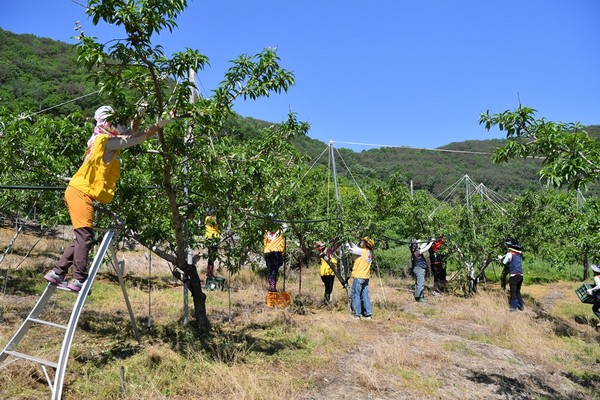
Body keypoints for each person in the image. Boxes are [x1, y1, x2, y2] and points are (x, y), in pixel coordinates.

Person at [44, 105, 171, 292]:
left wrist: (139, 115)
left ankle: (57, 272)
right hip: (80, 192)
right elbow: (137, 138)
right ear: (108, 123)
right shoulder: (106, 142)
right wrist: (160, 125)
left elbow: (132, 131)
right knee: (85, 237)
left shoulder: (99, 139)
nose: (118, 125)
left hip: (78, 191)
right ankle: (79, 279)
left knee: (81, 237)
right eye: (115, 122)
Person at [347, 236, 374, 319]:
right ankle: (368, 313)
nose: (362, 243)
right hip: (365, 277)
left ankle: (357, 314)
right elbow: (356, 248)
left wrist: (346, 243)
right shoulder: (368, 252)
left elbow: (351, 250)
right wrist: (349, 239)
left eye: (363, 241)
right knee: (365, 295)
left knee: (356, 294)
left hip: (359, 276)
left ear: (366, 244)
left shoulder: (362, 251)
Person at [500, 239, 524, 311]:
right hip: (521, 275)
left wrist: (500, 259)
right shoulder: (519, 255)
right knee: (518, 291)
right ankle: (521, 305)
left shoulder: (509, 254)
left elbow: (504, 263)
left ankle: (513, 307)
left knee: (513, 291)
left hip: (514, 275)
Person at [263, 226, 286, 292]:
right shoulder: (280, 230)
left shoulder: (266, 231)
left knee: (270, 269)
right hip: (276, 251)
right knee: (274, 269)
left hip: (267, 252)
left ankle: (271, 284)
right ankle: (272, 285)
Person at [204, 209, 220, 278]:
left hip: (208, 238)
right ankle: (210, 272)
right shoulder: (214, 219)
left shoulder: (206, 218)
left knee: (211, 256)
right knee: (212, 257)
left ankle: (209, 272)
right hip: (214, 238)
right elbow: (215, 223)